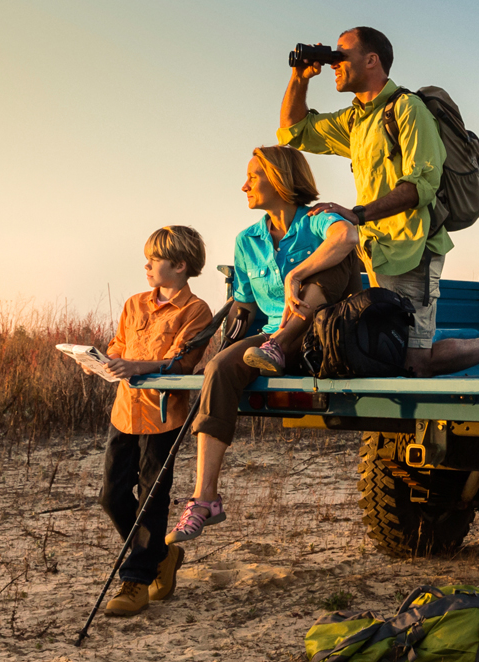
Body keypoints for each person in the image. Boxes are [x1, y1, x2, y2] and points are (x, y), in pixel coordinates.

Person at [277, 26, 479, 378]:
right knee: (387, 352)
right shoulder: (357, 119)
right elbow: (293, 131)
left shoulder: (407, 109)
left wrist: (358, 215)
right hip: (376, 251)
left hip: (413, 251)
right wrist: (300, 77)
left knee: (413, 363)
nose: (334, 64)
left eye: (341, 55)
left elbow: (422, 185)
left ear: (371, 60)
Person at [166, 145, 360, 544]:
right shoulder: (247, 240)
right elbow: (245, 307)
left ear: (280, 178)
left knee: (335, 261)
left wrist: (296, 276)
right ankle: (205, 499)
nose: (244, 186)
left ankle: (282, 343)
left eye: (253, 177)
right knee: (220, 368)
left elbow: (348, 236)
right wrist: (211, 351)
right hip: (268, 338)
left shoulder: (319, 220)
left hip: (326, 336)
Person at [78, 225, 213, 617]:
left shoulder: (197, 311)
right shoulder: (134, 303)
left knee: (151, 500)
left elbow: (182, 362)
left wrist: (138, 365)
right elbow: (119, 346)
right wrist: (100, 363)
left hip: (162, 415)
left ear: (180, 265)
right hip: (125, 412)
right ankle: (162, 556)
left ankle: (135, 582)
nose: (147, 266)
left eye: (154, 260)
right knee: (112, 496)